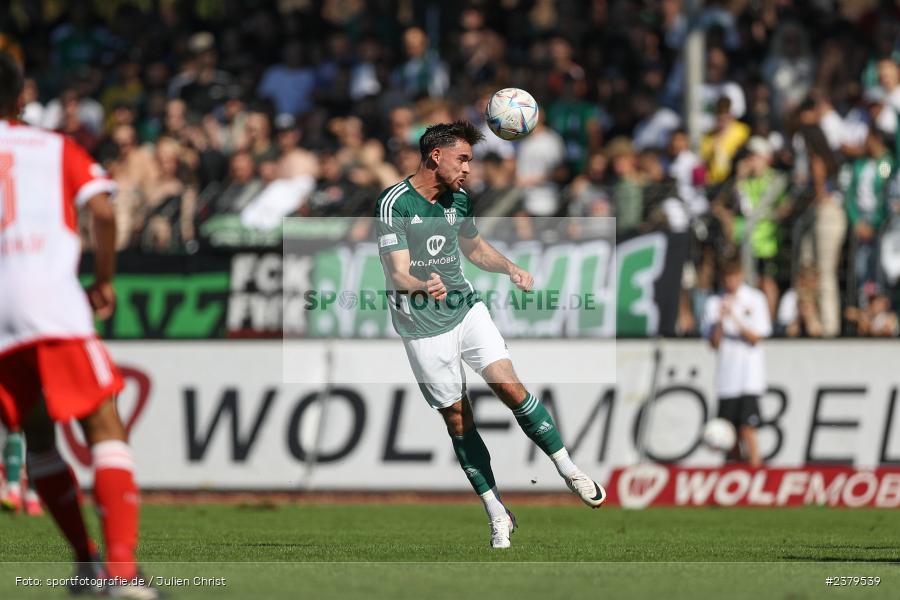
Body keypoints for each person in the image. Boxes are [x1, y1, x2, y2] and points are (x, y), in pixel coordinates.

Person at [374, 121, 605, 550]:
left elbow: (474, 248)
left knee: (509, 386)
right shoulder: (395, 203)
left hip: (465, 309)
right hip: (422, 327)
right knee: (459, 420)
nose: (468, 169)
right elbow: (397, 272)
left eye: (472, 161)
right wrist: (422, 286)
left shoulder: (459, 200)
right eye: (463, 159)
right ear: (435, 156)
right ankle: (498, 512)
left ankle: (569, 468)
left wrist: (510, 267)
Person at [0, 53, 157, 598]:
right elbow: (105, 210)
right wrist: (105, 280)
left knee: (38, 435)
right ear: (22, 100)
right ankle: (120, 573)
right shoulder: (53, 146)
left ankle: (85, 563)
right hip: (51, 304)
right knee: (103, 427)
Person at [702, 258, 771, 466]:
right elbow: (713, 343)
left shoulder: (755, 299)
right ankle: (736, 471)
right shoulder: (714, 303)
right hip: (727, 377)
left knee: (747, 428)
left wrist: (735, 318)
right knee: (728, 432)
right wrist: (721, 321)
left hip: (749, 376)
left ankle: (756, 469)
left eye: (734, 276)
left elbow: (757, 337)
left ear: (740, 276)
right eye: (727, 277)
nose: (730, 282)